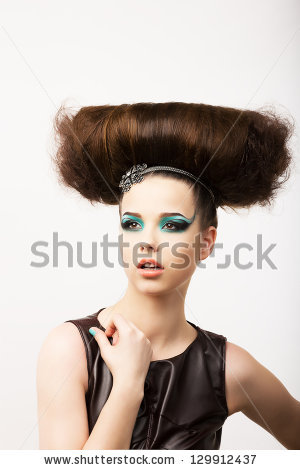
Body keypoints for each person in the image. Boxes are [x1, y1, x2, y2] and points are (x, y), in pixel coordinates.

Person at [36, 102, 300, 450]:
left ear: (205, 243)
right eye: (132, 224)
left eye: (171, 225)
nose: (147, 241)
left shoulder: (230, 369)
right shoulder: (69, 349)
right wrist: (129, 385)